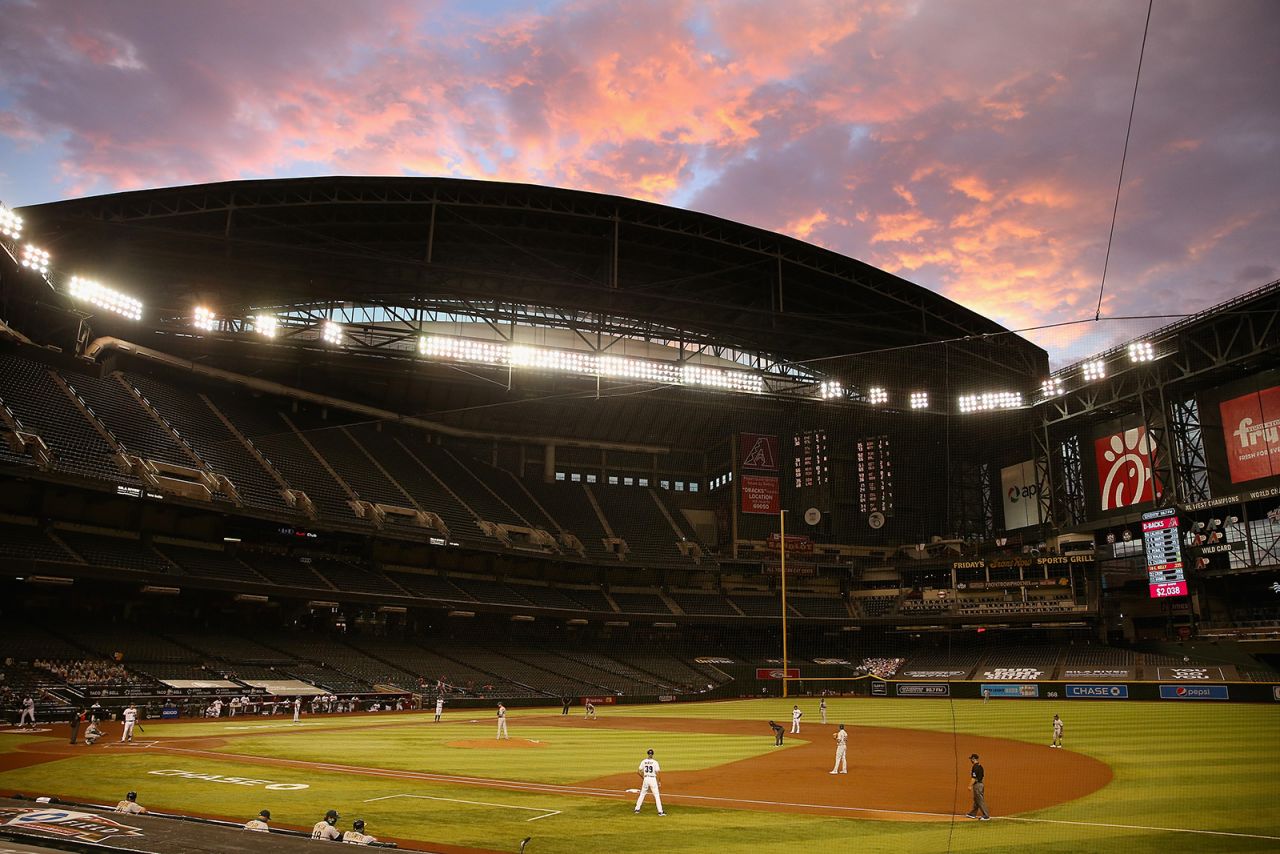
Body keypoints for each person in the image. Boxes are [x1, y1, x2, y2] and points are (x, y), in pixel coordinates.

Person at [634, 748, 664, 816]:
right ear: (652, 754)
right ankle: (660, 812)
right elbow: (658, 773)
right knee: (656, 795)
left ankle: (637, 809)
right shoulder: (655, 762)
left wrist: (643, 777)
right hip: (652, 779)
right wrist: (659, 781)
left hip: (646, 779)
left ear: (648, 754)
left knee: (642, 794)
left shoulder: (643, 761)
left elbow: (638, 771)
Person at [966, 753, 990, 820]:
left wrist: (969, 786)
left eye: (971, 759)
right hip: (980, 784)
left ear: (974, 759)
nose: (971, 760)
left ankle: (986, 815)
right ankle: (972, 814)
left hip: (977, 785)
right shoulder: (980, 766)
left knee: (979, 800)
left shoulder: (975, 767)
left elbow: (974, 778)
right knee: (976, 799)